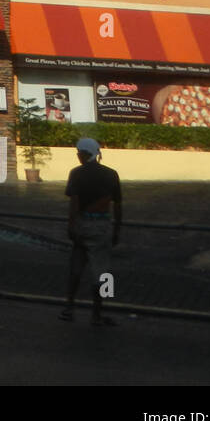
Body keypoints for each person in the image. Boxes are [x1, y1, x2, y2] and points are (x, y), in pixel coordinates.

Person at [62, 137, 122, 325]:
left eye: (79, 152)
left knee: (76, 267)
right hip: (102, 225)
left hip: (82, 224)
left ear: (84, 154)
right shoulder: (111, 174)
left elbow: (74, 204)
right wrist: (117, 230)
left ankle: (69, 307)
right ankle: (98, 312)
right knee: (103, 272)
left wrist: (71, 226)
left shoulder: (76, 173)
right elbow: (118, 205)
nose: (78, 155)